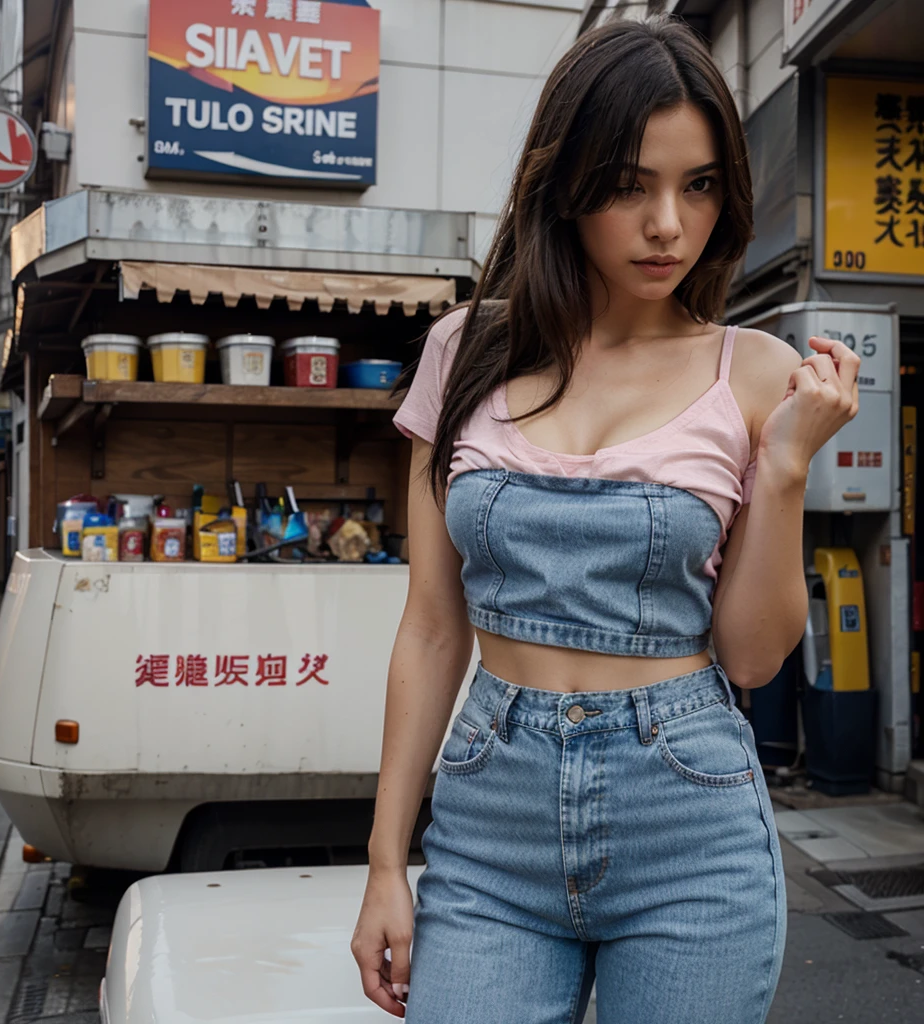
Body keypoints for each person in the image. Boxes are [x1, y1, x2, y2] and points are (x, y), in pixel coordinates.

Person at [350, 17, 858, 1024]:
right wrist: (382, 862)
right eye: (630, 184)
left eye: (699, 184)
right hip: (490, 818)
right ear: (564, 182)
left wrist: (789, 464)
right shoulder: (468, 352)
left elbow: (752, 660)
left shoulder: (751, 372)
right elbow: (432, 625)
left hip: (688, 819)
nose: (668, 223)